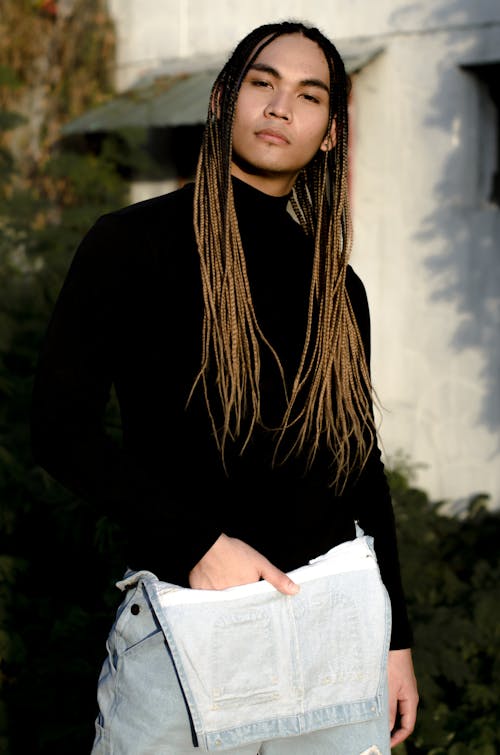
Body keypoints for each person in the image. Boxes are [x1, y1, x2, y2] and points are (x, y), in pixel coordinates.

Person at [31, 19, 419, 754]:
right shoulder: (129, 244)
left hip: (332, 637)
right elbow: (58, 430)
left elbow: (359, 468)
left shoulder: (339, 287)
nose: (281, 108)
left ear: (330, 133)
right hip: (185, 631)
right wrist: (199, 543)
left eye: (309, 96)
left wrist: (396, 639)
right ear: (222, 98)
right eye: (262, 83)